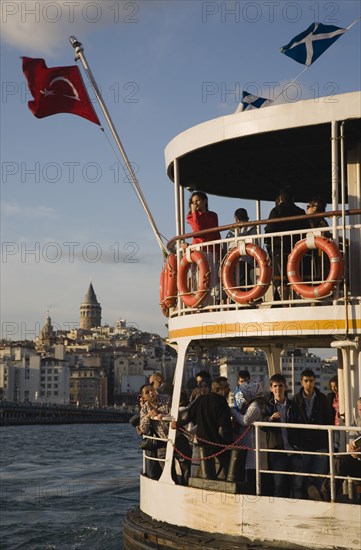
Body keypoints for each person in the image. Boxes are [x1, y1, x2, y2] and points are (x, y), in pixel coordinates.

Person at [171, 376, 233, 480]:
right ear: (219, 390)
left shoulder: (200, 399)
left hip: (202, 440)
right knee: (226, 464)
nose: (228, 390)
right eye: (226, 387)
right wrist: (230, 441)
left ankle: (207, 480)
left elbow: (189, 415)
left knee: (207, 469)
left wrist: (177, 424)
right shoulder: (222, 402)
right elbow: (224, 425)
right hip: (218, 441)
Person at [293, 369, 333, 500]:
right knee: (301, 479)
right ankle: (304, 501)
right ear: (301, 382)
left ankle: (317, 501)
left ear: (314, 382)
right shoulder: (296, 399)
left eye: (311, 381)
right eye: (306, 381)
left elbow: (328, 420)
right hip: (302, 446)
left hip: (320, 444)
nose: (309, 384)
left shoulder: (322, 399)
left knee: (319, 478)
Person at [262, 374, 303, 498]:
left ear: (285, 387)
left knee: (298, 485)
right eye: (275, 386)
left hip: (293, 449)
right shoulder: (268, 406)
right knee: (279, 485)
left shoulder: (293, 405)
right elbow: (262, 424)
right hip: (277, 450)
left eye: (280, 385)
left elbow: (300, 424)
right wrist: (270, 419)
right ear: (271, 388)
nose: (278, 389)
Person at [264, 186, 308, 300]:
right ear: (293, 198)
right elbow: (306, 230)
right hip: (296, 249)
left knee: (281, 278)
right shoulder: (300, 212)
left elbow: (269, 229)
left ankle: (282, 301)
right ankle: (296, 298)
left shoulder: (276, 211)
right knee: (295, 275)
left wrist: (269, 246)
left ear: (281, 197)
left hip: (279, 249)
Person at [228, 381, 266, 490]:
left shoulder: (255, 406)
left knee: (250, 471)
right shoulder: (250, 404)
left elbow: (245, 420)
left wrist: (232, 412)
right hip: (247, 442)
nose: (242, 396)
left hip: (251, 443)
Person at [185, 191, 221, 302]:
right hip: (198, 251)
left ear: (205, 201)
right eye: (193, 202)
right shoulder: (191, 216)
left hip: (211, 250)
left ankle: (210, 304)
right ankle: (200, 304)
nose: (195, 204)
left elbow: (212, 229)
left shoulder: (213, 215)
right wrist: (194, 213)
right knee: (198, 279)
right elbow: (197, 230)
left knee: (212, 279)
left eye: (198, 201)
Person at [139, 384, 172, 480]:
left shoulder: (166, 398)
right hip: (162, 440)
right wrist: (149, 416)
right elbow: (143, 429)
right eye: (147, 392)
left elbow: (174, 412)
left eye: (151, 390)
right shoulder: (145, 408)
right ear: (144, 397)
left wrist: (162, 415)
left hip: (176, 436)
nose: (151, 393)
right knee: (164, 462)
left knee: (185, 463)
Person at [225, 208, 257, 288]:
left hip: (233, 261)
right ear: (248, 218)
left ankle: (235, 298)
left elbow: (226, 247)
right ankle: (249, 297)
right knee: (246, 281)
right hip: (248, 261)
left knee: (235, 281)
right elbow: (255, 244)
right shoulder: (252, 229)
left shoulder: (231, 231)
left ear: (236, 219)